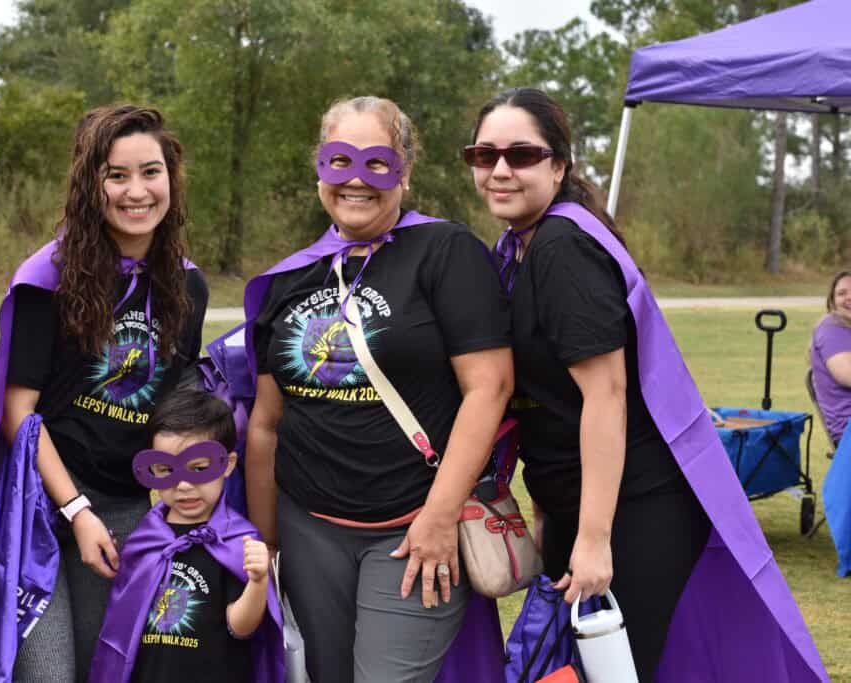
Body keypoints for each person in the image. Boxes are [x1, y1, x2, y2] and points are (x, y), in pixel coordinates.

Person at [466, 87, 826, 682]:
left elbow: (605, 398)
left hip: (633, 508)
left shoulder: (561, 249)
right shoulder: (523, 248)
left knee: (609, 669)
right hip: (586, 502)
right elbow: (551, 400)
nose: (500, 170)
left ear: (558, 166)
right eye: (484, 155)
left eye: (522, 155)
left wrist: (592, 539)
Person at [0, 105, 209, 683]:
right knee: (48, 675)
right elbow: (17, 411)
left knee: (106, 669)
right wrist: (76, 509)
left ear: (171, 177)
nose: (136, 191)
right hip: (39, 512)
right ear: (89, 183)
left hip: (128, 508)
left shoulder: (187, 283)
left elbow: (175, 401)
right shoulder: (47, 279)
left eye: (150, 172)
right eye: (116, 175)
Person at [243, 95, 512, 683]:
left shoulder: (445, 253)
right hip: (309, 528)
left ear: (405, 172)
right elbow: (265, 423)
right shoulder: (290, 277)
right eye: (340, 162)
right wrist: (264, 546)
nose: (356, 181)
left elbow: (489, 389)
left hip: (412, 527)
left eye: (377, 163)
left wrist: (440, 517)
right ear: (319, 167)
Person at [89, 388, 284, 682]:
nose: (182, 486)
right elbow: (122, 629)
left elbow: (240, 626)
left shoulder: (236, 540)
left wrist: (257, 582)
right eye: (166, 470)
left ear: (227, 465)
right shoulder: (146, 540)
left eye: (199, 469)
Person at [810, 270, 851, 446]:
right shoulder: (832, 328)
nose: (849, 297)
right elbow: (847, 375)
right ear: (833, 302)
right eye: (842, 293)